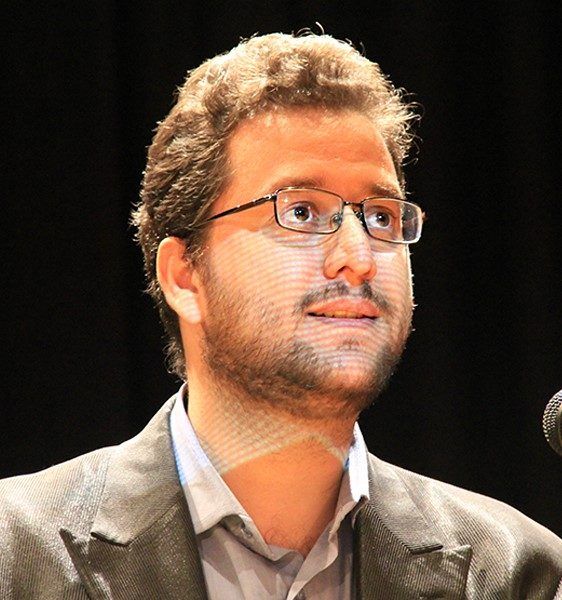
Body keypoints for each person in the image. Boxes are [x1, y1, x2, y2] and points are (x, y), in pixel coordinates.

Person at [1, 32, 561, 600]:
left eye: (382, 217)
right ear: (185, 276)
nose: (359, 257)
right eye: (301, 211)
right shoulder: (14, 553)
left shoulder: (518, 573)